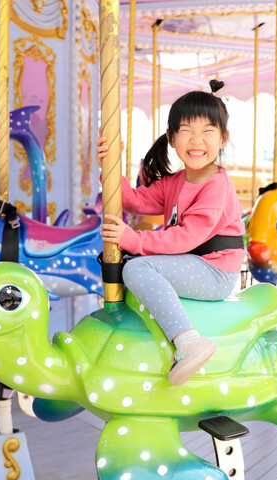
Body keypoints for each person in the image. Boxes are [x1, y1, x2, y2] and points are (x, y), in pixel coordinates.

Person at [96, 80, 245, 386]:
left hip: (216, 270)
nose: (196, 139)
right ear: (172, 138)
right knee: (131, 266)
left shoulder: (217, 186)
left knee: (137, 266)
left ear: (223, 138)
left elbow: (188, 236)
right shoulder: (175, 181)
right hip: (193, 263)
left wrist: (135, 241)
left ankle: (189, 341)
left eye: (207, 131)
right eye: (186, 130)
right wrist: (111, 166)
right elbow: (135, 200)